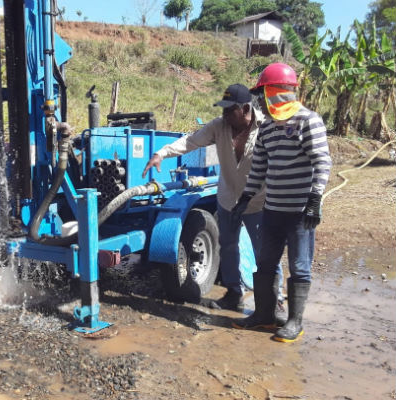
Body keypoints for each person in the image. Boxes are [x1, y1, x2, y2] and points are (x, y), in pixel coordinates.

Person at [142, 83, 284, 312]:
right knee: (227, 247)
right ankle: (234, 294)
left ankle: (276, 300)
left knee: (265, 251)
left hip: (258, 201)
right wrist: (161, 153)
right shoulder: (219, 126)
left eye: (230, 109)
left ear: (245, 108)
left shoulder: (266, 127)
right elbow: (190, 141)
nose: (224, 113)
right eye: (223, 109)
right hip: (228, 199)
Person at [230, 63, 332, 343]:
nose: (261, 99)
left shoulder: (307, 120)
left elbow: (322, 162)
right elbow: (259, 168)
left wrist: (314, 199)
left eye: (264, 92)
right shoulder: (267, 129)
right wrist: (246, 197)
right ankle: (264, 315)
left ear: (280, 92)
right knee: (265, 263)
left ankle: (294, 323)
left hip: (300, 213)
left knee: (300, 266)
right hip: (272, 209)